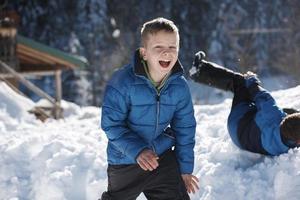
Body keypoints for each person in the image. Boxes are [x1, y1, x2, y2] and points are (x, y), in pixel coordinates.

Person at [100, 17, 199, 200]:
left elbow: (185, 128)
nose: (167, 53)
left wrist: (185, 169)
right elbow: (111, 125)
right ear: (144, 53)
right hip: (125, 160)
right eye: (159, 48)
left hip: (160, 156)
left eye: (172, 47)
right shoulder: (122, 82)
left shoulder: (179, 86)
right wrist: (138, 151)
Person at [189, 51, 300, 156]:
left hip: (238, 123)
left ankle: (199, 71)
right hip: (243, 141)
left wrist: (251, 79)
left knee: (240, 82)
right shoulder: (289, 146)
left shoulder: (272, 114)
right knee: (289, 111)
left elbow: (260, 94)